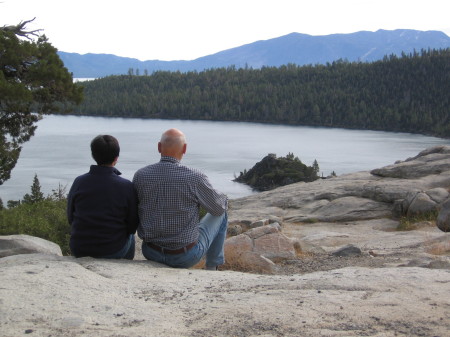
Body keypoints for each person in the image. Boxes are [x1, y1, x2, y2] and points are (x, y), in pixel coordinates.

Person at [133, 128, 228, 270]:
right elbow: (218, 208)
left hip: (151, 252)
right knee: (223, 210)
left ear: (159, 147)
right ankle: (213, 266)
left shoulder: (141, 175)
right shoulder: (195, 177)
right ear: (184, 149)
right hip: (185, 257)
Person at [67, 135, 138, 259]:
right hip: (113, 250)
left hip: (79, 248)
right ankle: (126, 267)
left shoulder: (79, 182)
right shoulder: (126, 186)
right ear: (116, 158)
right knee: (131, 237)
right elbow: (132, 225)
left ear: (93, 155)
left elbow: (70, 217)